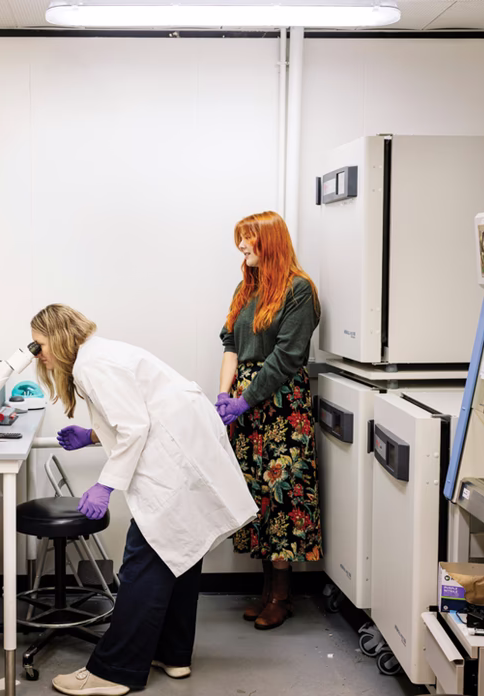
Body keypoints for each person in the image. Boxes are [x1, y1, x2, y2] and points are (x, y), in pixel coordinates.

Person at [30, 304, 256, 696]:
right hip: (183, 454)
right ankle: (173, 653)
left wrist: (105, 485)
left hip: (173, 462)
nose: (39, 355)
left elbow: (134, 426)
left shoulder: (91, 364)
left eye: (39, 345)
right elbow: (137, 412)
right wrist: (92, 436)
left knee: (142, 562)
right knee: (179, 555)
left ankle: (114, 671)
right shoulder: (101, 354)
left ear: (58, 336)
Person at [216, 211, 322, 631]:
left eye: (249, 239)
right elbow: (229, 342)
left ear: (270, 242)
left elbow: (287, 357)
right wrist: (224, 395)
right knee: (255, 495)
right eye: (240, 239)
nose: (242, 247)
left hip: (280, 406)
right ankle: (265, 591)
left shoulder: (299, 290)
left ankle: (282, 595)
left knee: (281, 496)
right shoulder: (248, 287)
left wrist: (248, 399)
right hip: (245, 401)